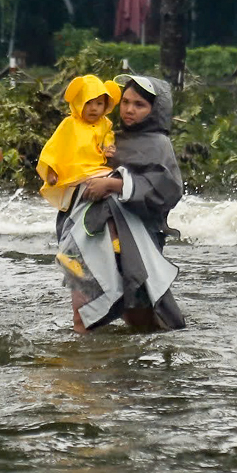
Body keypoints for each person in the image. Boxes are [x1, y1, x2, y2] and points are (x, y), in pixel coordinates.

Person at [56, 75, 186, 332]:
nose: (128, 109)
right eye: (125, 101)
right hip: (93, 236)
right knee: (84, 313)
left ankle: (135, 364)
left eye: (139, 104)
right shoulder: (108, 138)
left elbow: (168, 189)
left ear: (154, 110)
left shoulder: (159, 145)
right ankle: (83, 363)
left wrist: (115, 184)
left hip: (134, 242)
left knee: (141, 317)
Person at [36, 75, 121, 211]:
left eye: (99, 104)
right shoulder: (70, 124)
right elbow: (54, 147)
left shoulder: (105, 124)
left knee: (115, 179)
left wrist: (109, 148)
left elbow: (108, 138)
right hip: (76, 170)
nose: (93, 108)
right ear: (79, 102)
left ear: (106, 105)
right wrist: (52, 171)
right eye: (88, 103)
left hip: (98, 168)